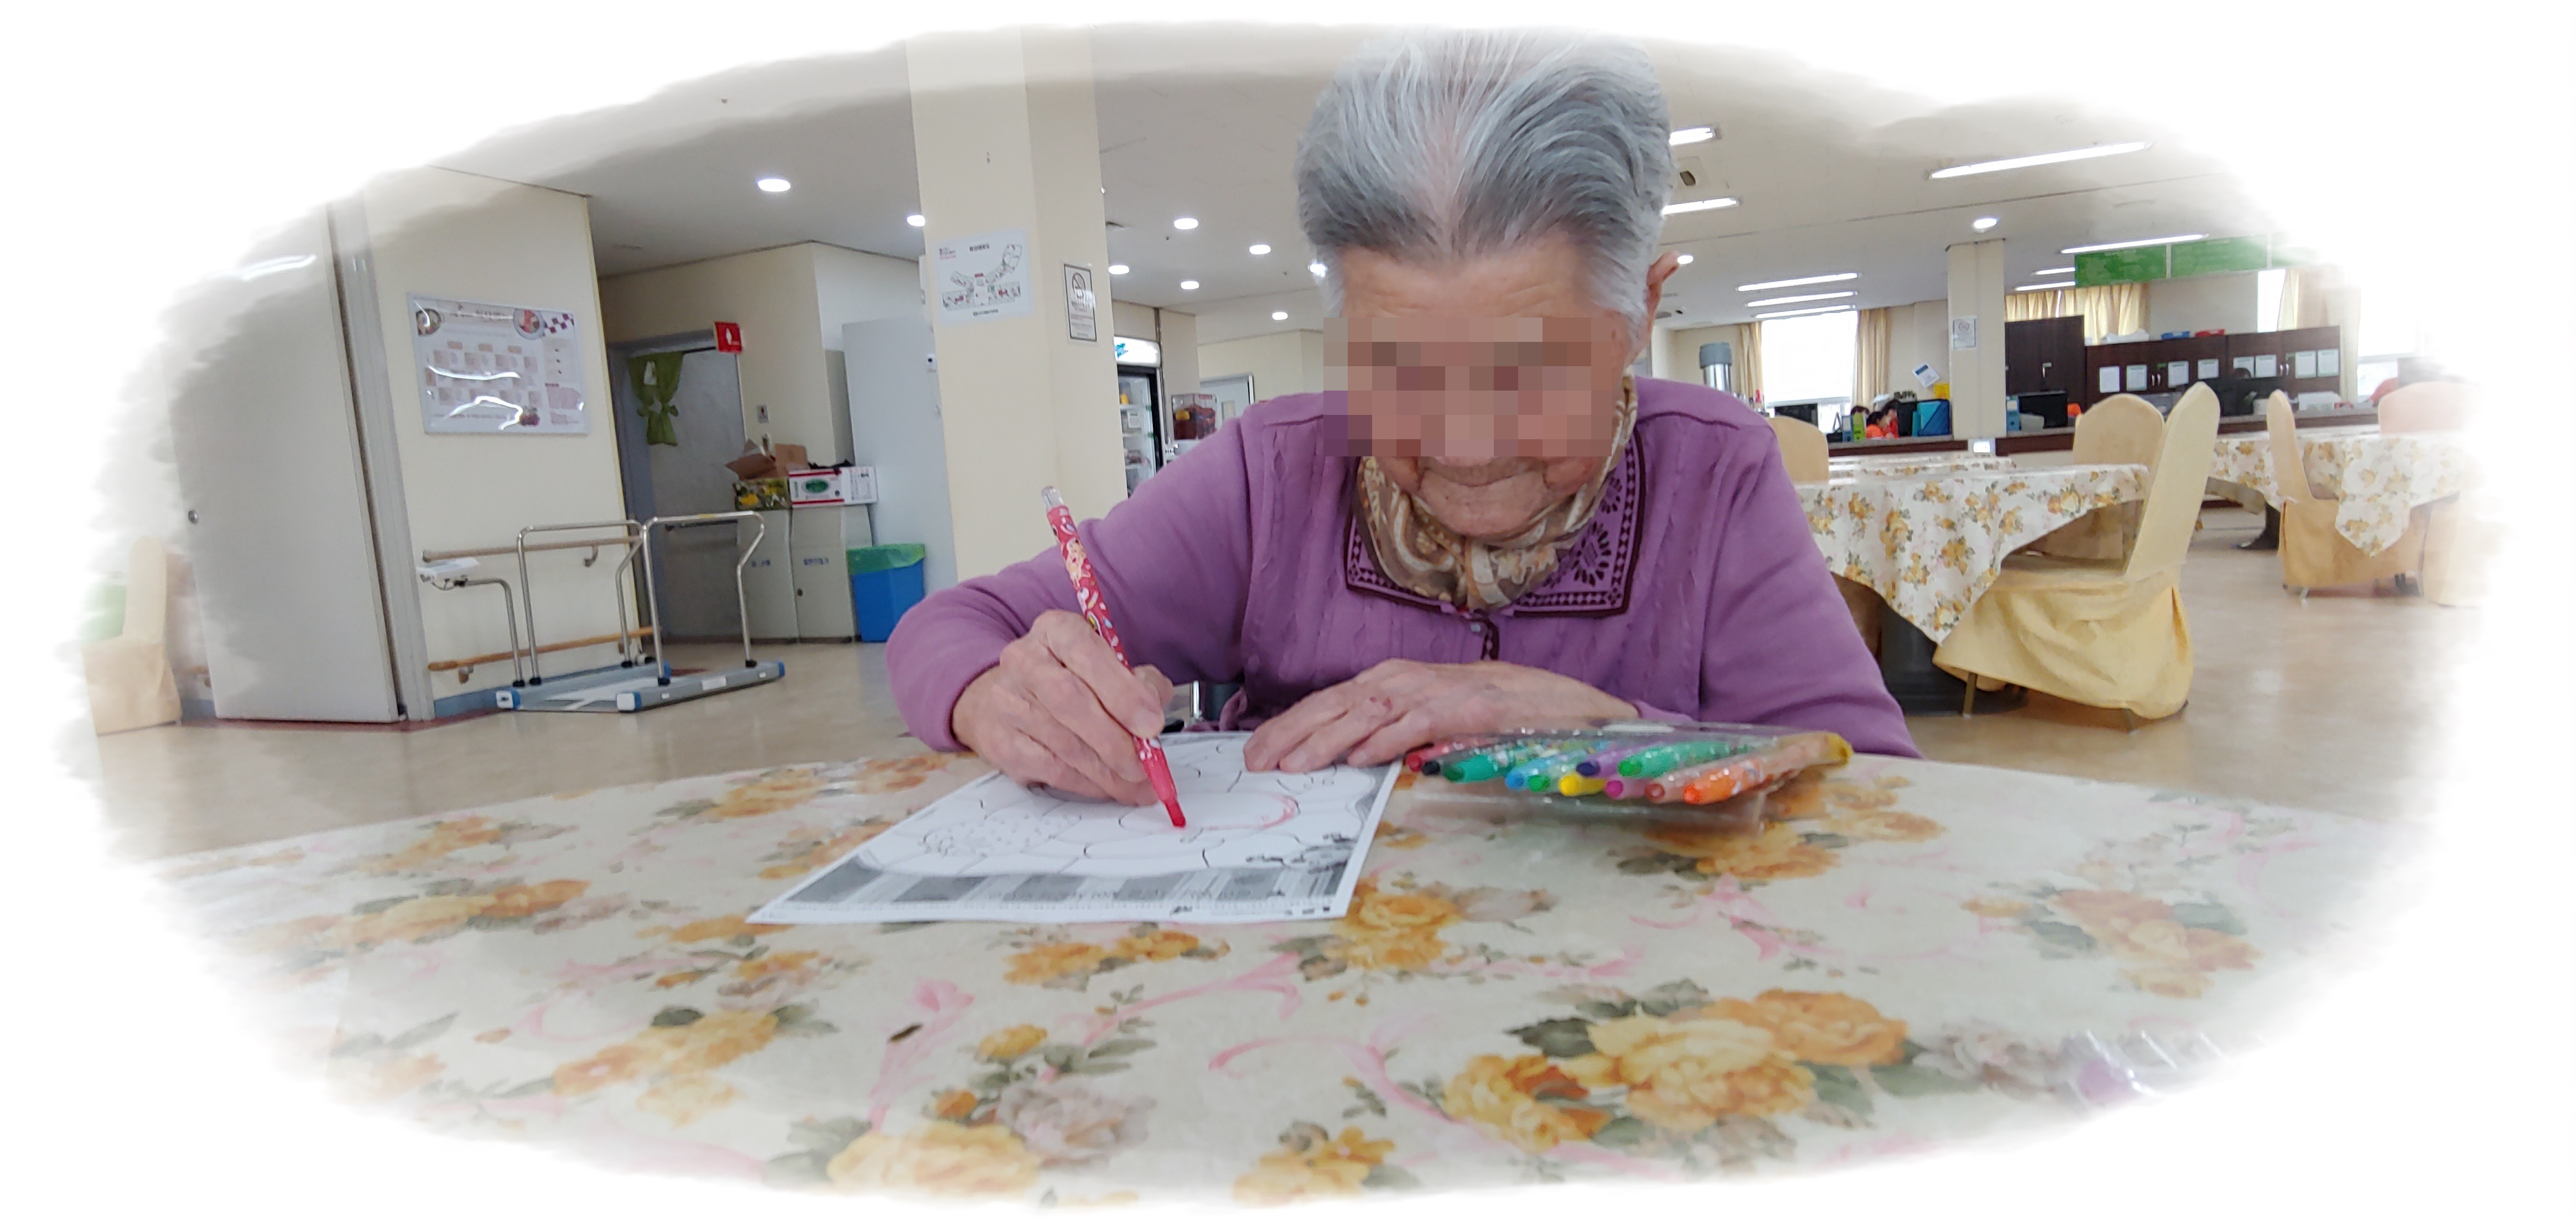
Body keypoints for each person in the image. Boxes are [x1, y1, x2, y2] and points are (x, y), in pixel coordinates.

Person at [887, 29, 1915, 805]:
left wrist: (1610, 726)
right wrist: (997, 691)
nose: (1462, 442)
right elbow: (953, 628)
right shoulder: (1270, 476)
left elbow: (1877, 793)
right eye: (1401, 370)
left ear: (1638, 315)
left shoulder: (1716, 476)